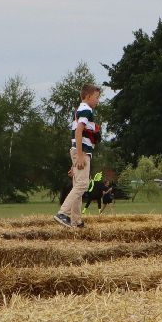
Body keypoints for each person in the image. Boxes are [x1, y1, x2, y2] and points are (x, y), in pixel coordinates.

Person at [55, 84, 102, 228]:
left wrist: (75, 161)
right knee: (82, 185)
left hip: (77, 151)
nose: (98, 101)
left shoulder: (80, 110)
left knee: (78, 185)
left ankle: (76, 221)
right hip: (81, 153)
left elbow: (77, 135)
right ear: (88, 96)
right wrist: (80, 156)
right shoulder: (86, 110)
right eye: (96, 97)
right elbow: (78, 132)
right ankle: (62, 213)